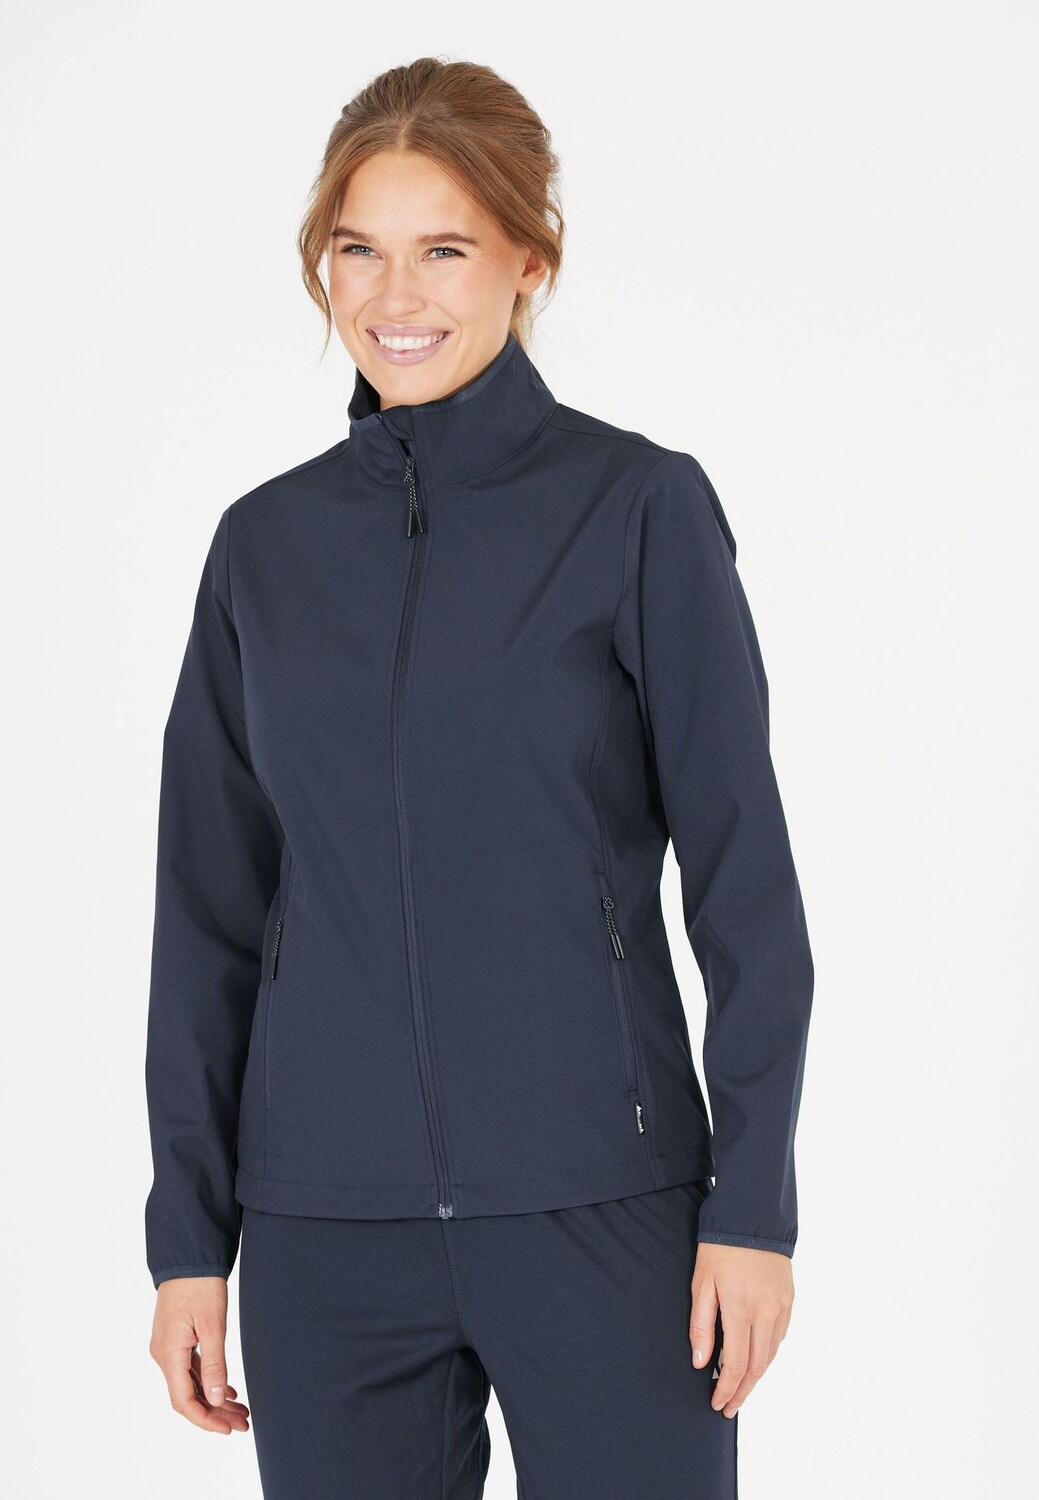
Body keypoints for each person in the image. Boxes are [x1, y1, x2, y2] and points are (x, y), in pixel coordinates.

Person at [145, 56, 815, 1500]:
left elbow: (747, 887)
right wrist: (188, 1243)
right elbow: (208, 915)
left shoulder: (635, 510)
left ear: (529, 259)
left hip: (604, 1210)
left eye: (445, 249)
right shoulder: (262, 550)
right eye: (359, 249)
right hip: (326, 1231)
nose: (397, 294)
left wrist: (752, 1213)